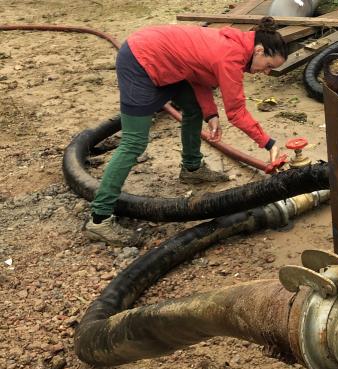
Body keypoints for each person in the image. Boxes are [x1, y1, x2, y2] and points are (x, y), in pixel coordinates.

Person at [84, 17, 289, 246]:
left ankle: (192, 168)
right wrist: (268, 143)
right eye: (269, 65)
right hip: (140, 61)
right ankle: (99, 219)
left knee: (193, 108)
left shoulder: (237, 45)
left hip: (164, 58)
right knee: (134, 142)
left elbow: (196, 73)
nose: (267, 72)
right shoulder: (230, 56)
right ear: (259, 50)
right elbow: (237, 113)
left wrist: (210, 113)